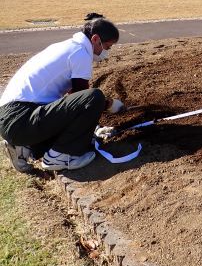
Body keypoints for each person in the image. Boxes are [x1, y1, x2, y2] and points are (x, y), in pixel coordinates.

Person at [0, 13, 125, 173]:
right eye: (106, 47)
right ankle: (59, 157)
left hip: (10, 118)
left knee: (71, 134)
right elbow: (83, 98)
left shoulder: (65, 47)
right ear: (95, 39)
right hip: (21, 118)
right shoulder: (81, 53)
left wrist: (93, 128)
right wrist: (110, 104)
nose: (105, 52)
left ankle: (24, 148)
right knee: (95, 97)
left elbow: (71, 102)